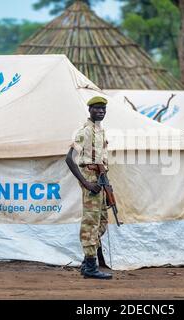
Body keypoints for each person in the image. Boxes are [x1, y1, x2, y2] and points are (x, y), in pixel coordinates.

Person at [65, 96, 112, 280]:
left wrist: (106, 184)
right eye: (97, 108)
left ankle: (87, 262)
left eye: (103, 109)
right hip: (90, 177)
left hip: (100, 177)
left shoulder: (101, 132)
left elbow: (101, 160)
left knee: (102, 221)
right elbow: (69, 159)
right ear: (90, 110)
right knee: (90, 222)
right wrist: (86, 183)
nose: (101, 111)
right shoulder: (84, 132)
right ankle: (91, 266)